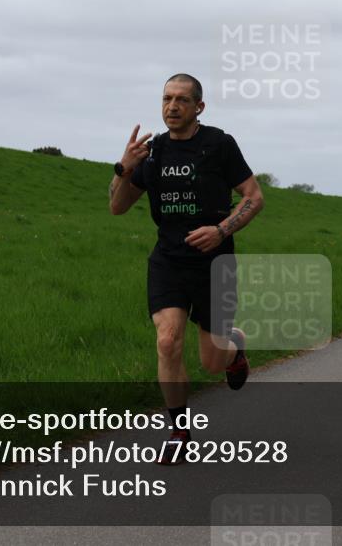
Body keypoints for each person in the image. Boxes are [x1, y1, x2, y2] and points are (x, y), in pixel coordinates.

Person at [108, 73, 264, 464]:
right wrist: (123, 168)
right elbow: (117, 206)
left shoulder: (219, 145)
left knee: (212, 363)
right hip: (169, 261)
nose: (172, 106)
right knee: (167, 341)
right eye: (167, 99)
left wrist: (221, 229)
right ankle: (179, 432)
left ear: (199, 107)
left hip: (214, 263)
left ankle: (235, 349)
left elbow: (253, 197)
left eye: (181, 100)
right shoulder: (153, 153)